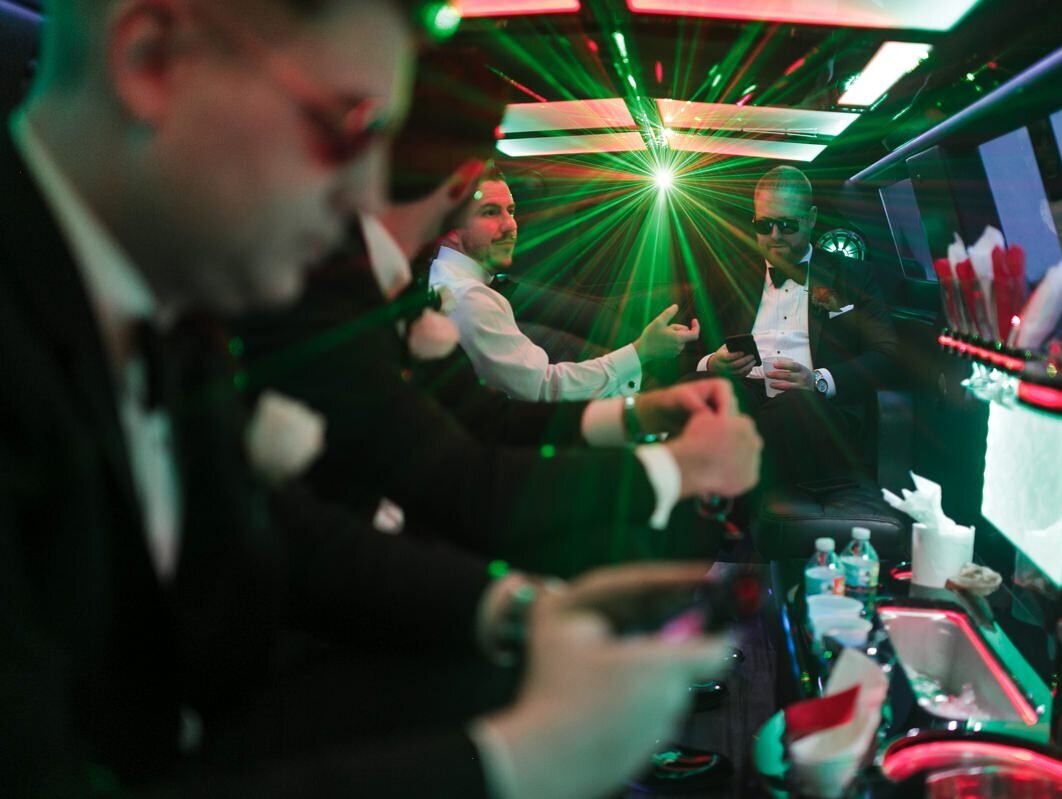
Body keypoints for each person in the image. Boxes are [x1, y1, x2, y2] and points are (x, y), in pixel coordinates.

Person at [0, 2, 736, 796]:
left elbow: (270, 530)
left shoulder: (165, 299)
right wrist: (514, 761)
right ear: (149, 62)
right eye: (349, 127)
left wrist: (523, 608)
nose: (366, 192)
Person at [235, 48, 763, 574]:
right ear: (461, 186)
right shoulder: (335, 292)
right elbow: (466, 477)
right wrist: (674, 469)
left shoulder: (403, 289)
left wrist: (640, 412)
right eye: (492, 211)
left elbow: (485, 420)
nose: (510, 224)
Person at [686, 165, 900, 487]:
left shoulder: (853, 276)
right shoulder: (727, 276)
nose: (774, 236)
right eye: (764, 224)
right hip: (746, 392)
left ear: (811, 218)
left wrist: (819, 381)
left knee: (795, 409)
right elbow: (687, 346)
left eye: (787, 225)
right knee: (708, 392)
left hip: (811, 404)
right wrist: (712, 363)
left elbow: (888, 354)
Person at [430, 168, 702, 401]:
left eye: (511, 211)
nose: (510, 225)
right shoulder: (470, 298)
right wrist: (641, 351)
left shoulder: (447, 280)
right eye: (490, 213)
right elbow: (545, 388)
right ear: (452, 228)